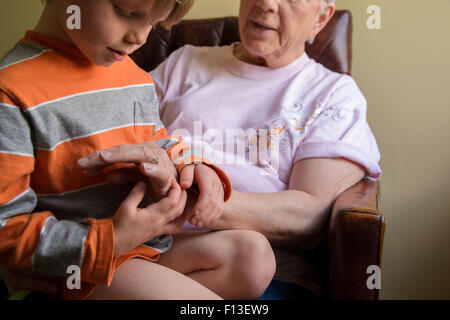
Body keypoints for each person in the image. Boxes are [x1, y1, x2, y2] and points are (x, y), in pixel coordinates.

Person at [78, 0, 382, 299]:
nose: (266, 3)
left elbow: (307, 216)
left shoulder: (332, 94)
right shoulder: (184, 61)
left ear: (321, 17)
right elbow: (116, 137)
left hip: (262, 275)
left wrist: (187, 198)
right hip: (147, 250)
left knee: (250, 257)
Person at [0, 0, 276, 300]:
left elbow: (156, 140)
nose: (139, 37)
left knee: (254, 257)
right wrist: (112, 240)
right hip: (85, 267)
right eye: (127, 13)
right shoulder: (11, 91)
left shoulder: (132, 75)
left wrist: (190, 165)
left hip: (145, 247)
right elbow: (6, 228)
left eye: (151, 23)